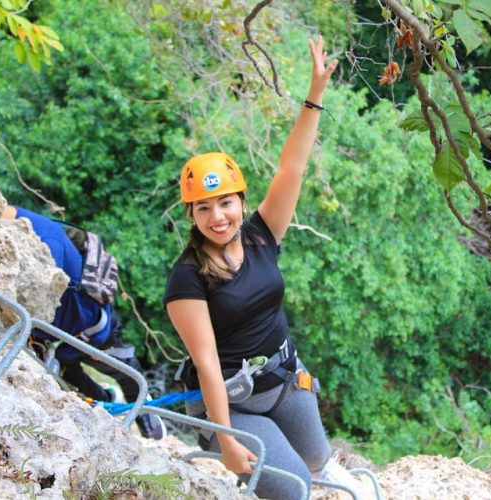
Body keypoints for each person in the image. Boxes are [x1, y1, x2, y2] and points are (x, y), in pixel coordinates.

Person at [164, 36, 359, 498]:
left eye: (226, 203)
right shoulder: (186, 278)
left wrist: (315, 95)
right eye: (204, 208)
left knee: (316, 461)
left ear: (241, 201)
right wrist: (227, 440)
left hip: (285, 377)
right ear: (190, 215)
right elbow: (207, 363)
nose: (218, 217)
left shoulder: (260, 235)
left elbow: (291, 169)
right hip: (230, 402)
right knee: (292, 490)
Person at [1, 204, 166, 441]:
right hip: (58, 336)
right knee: (72, 375)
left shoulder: (43, 237)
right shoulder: (18, 227)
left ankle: (146, 414)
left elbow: (41, 289)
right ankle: (109, 400)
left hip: (90, 329)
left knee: (123, 369)